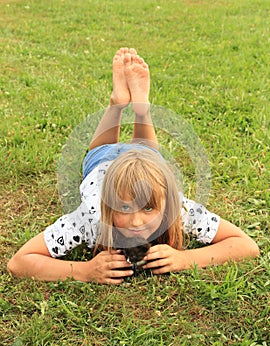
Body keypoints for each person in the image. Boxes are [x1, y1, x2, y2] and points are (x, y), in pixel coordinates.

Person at [7, 48, 259, 285]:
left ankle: (140, 108)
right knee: (97, 153)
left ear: (166, 202)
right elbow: (19, 262)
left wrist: (185, 259)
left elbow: (246, 245)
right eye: (124, 207)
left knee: (147, 154)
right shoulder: (91, 217)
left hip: (146, 161)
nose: (136, 221)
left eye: (148, 207)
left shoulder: (178, 209)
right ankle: (117, 104)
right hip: (103, 166)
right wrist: (83, 271)